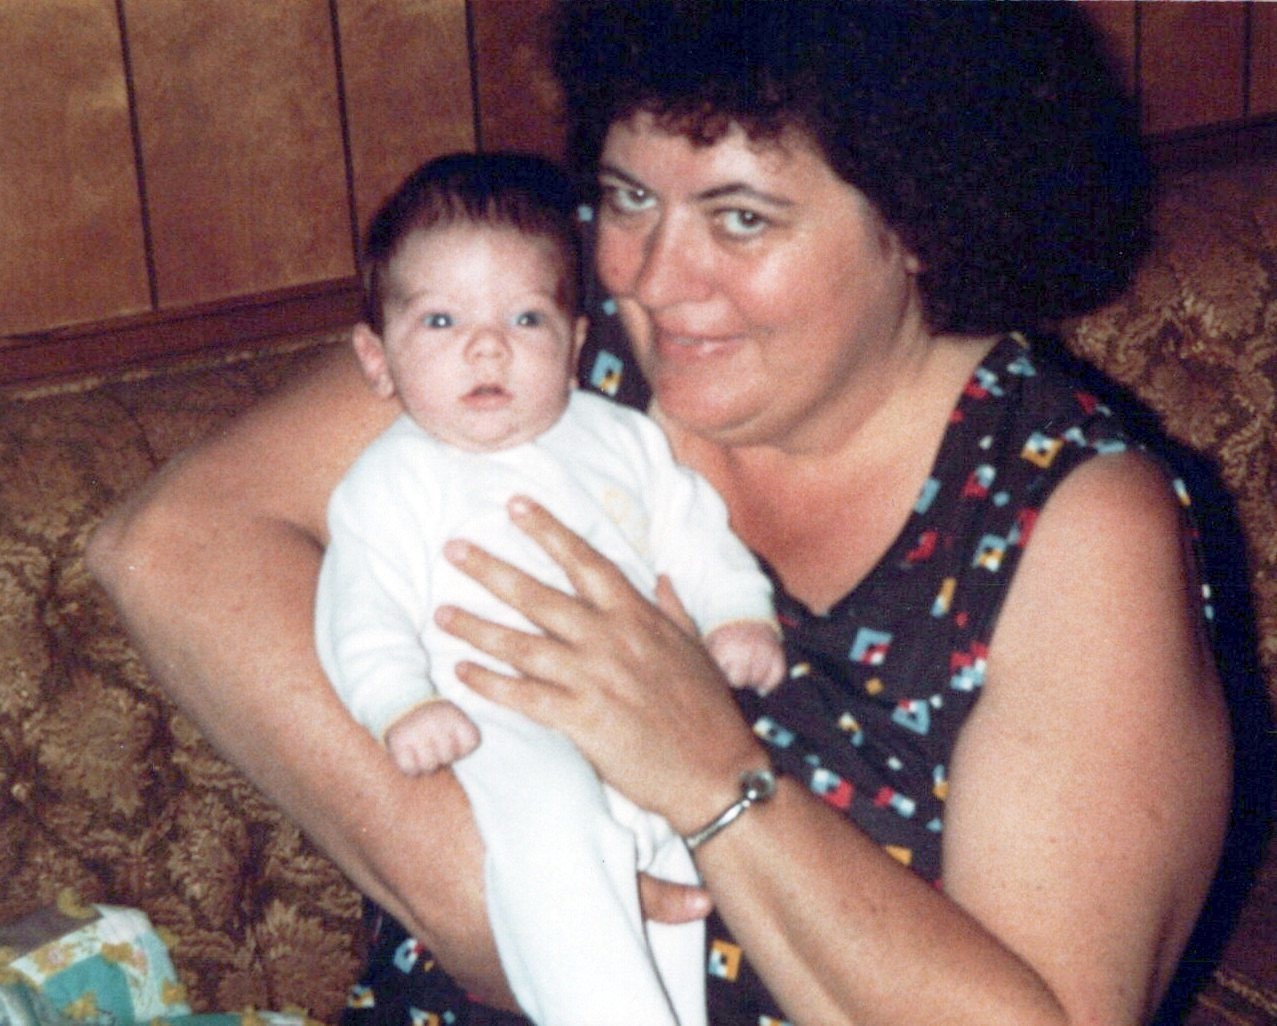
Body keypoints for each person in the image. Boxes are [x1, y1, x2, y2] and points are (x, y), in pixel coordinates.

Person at [87, 3, 1232, 1025]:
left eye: (739, 219)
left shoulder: (1060, 517)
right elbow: (172, 546)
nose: (649, 276)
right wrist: (511, 910)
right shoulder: (542, 349)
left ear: (919, 224)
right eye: (629, 197)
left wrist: (709, 777)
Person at [315, 151, 783, 1026]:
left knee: (671, 855)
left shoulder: (621, 439)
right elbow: (357, 610)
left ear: (572, 349)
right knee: (554, 834)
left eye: (525, 317)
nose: (486, 346)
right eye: (441, 320)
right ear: (377, 360)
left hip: (641, 703)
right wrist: (398, 703)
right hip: (495, 709)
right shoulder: (391, 481)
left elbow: (692, 532)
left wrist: (735, 614)